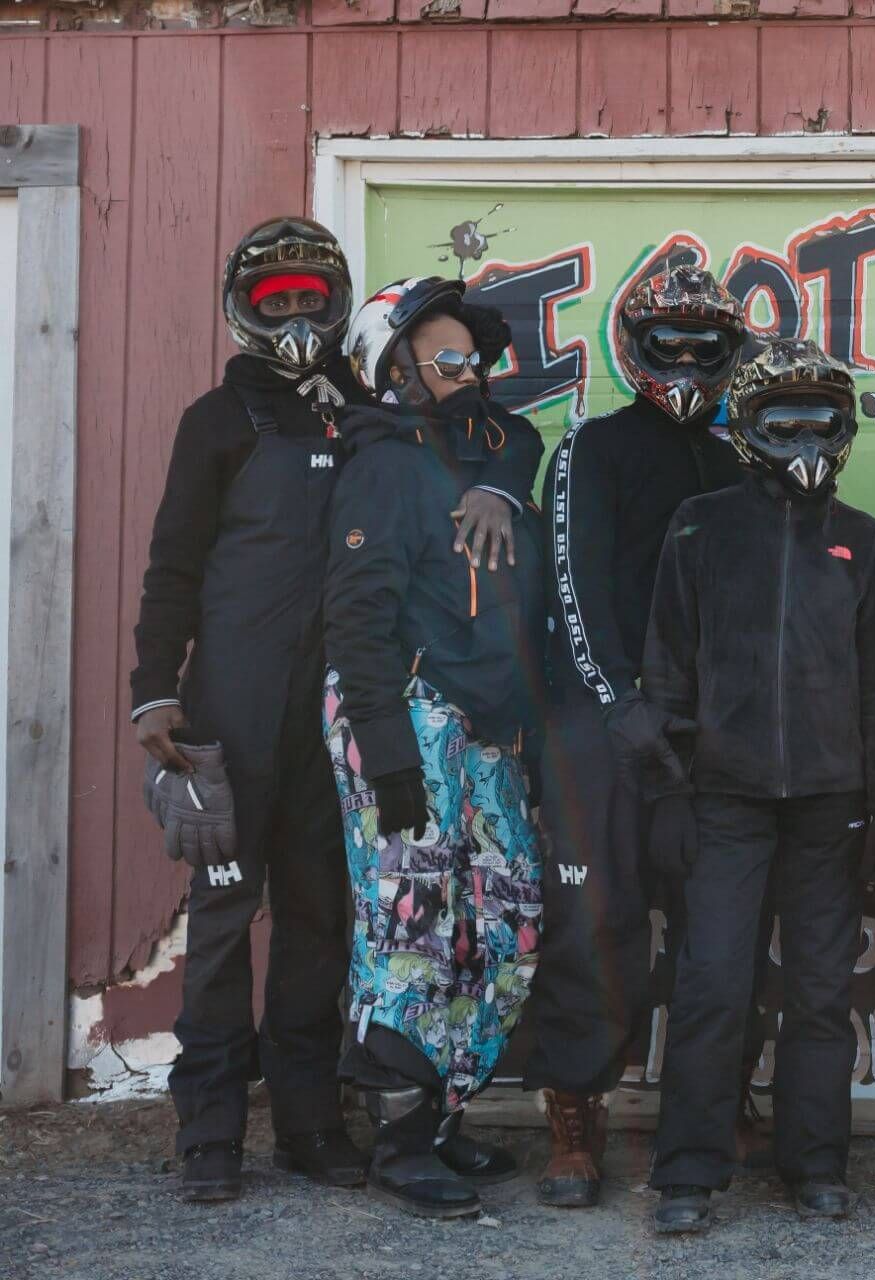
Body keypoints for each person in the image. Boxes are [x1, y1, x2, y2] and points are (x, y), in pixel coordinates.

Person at [128, 219, 524, 1203]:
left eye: (315, 298)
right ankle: (210, 1129)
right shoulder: (215, 421)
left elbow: (484, 451)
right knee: (222, 920)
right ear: (246, 311)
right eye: (279, 302)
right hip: (230, 713)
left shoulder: (371, 412)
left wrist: (500, 492)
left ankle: (310, 1119)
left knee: (323, 922)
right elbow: (173, 565)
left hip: (337, 723)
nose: (300, 316)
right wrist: (154, 689)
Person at [636, 338, 875, 1234]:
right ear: (748, 429)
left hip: (832, 804)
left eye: (821, 419)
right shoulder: (698, 527)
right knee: (714, 983)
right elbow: (666, 675)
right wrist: (669, 794)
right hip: (724, 800)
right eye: (781, 419)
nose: (803, 435)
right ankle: (686, 1171)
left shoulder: (862, 542)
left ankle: (816, 1163)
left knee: (821, 993)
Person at [522, 264, 752, 1208]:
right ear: (635, 347)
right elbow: (568, 584)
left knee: (717, 931)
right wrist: (620, 702)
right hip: (597, 725)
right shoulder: (591, 448)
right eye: (671, 344)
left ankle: (708, 1108)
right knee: (596, 923)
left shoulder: (741, 461)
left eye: (706, 346)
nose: (690, 360)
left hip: (708, 736)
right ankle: (576, 1112)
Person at [323, 276, 547, 1219]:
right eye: (447, 359)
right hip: (404, 713)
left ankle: (448, 1112)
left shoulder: (486, 451)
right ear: (394, 368)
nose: (470, 374)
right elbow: (356, 613)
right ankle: (400, 1134)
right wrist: (389, 748)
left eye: (475, 359)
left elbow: (525, 433)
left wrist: (501, 479)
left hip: (486, 725)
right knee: (407, 926)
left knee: (504, 920)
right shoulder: (382, 465)